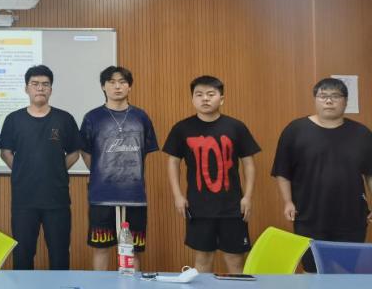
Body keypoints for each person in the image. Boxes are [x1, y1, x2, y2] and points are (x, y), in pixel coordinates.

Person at [272, 77, 372, 272]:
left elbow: (370, 174)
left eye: (335, 96)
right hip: (309, 215)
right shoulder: (295, 130)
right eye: (323, 96)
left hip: (351, 216)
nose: (329, 101)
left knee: (345, 272)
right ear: (315, 99)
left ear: (345, 101)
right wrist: (288, 201)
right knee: (312, 270)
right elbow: (282, 171)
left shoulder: (362, 134)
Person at [163, 76, 259, 274]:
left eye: (210, 94)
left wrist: (248, 197)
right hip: (198, 206)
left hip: (232, 206)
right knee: (203, 258)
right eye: (199, 94)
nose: (205, 99)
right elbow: (173, 162)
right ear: (192, 99)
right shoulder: (182, 128)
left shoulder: (236, 127)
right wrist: (178, 196)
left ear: (221, 99)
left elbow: (248, 163)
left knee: (235, 259)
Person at [0, 65, 80, 270]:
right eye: (35, 84)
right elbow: (5, 152)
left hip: (57, 198)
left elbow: (74, 152)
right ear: (26, 88)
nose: (40, 88)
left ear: (51, 89)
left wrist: (57, 169)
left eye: (45, 84)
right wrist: (22, 170)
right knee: (23, 255)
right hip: (24, 199)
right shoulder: (14, 119)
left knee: (60, 254)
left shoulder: (64, 119)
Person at [80, 66, 158, 271]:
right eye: (112, 82)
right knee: (101, 249)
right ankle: (100, 288)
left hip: (134, 196)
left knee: (132, 250)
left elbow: (145, 152)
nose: (117, 86)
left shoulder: (141, 117)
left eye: (123, 82)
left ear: (129, 87)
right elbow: (85, 152)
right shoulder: (92, 117)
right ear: (103, 86)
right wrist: (100, 172)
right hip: (102, 195)